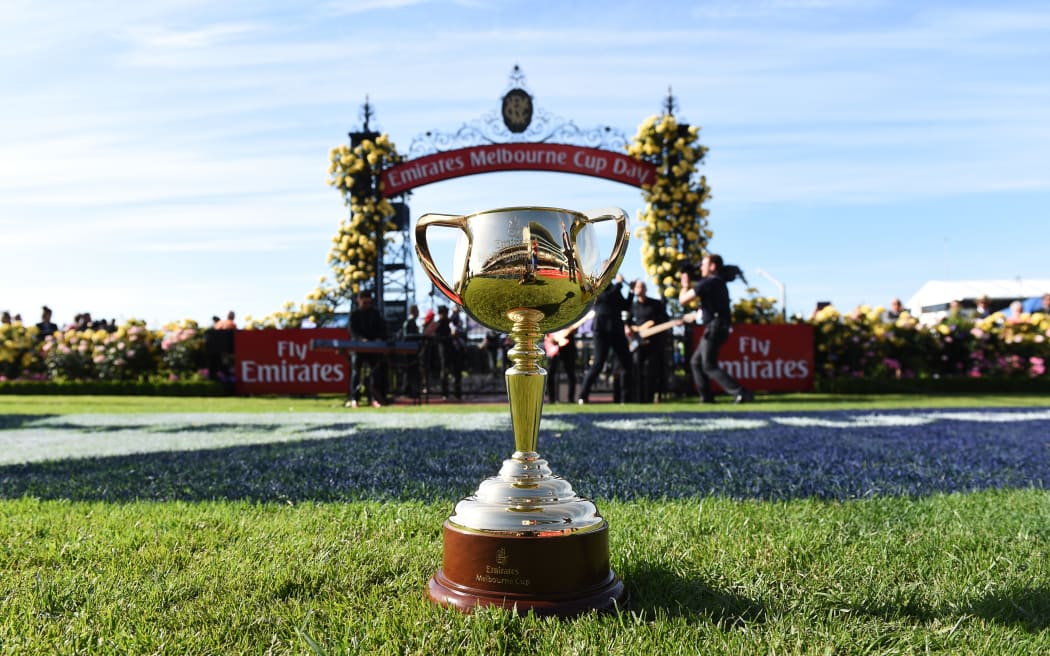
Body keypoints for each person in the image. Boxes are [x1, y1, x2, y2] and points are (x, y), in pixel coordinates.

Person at [678, 255, 754, 404]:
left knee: (708, 364)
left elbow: (683, 300)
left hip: (715, 327)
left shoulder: (708, 283)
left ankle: (741, 393)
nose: (701, 267)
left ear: (713, 267)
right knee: (696, 362)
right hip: (718, 326)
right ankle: (706, 397)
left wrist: (685, 285)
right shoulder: (718, 282)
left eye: (704, 264)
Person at [577, 272, 633, 404]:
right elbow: (605, 297)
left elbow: (625, 305)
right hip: (601, 330)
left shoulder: (615, 288)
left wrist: (631, 291)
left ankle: (625, 399)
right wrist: (619, 284)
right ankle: (582, 396)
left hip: (616, 329)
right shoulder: (598, 286)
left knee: (626, 362)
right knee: (598, 363)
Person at [628, 280, 671, 403]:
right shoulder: (632, 306)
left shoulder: (655, 304)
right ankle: (638, 399)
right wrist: (635, 328)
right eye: (637, 287)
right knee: (637, 370)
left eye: (642, 287)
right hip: (638, 343)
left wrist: (651, 324)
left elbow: (664, 319)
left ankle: (653, 397)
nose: (639, 289)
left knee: (653, 371)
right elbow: (628, 323)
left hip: (654, 343)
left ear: (646, 289)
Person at [347, 291, 388, 408]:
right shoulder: (354, 315)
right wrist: (361, 339)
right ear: (359, 301)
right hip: (358, 347)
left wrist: (379, 339)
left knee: (375, 373)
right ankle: (355, 398)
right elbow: (352, 331)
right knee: (356, 372)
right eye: (364, 302)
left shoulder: (375, 314)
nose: (366, 305)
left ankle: (374, 398)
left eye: (368, 302)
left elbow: (382, 329)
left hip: (373, 348)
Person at [545, 321, 579, 403]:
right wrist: (551, 338)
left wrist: (570, 330)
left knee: (570, 372)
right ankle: (551, 399)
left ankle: (571, 399)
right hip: (553, 344)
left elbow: (575, 330)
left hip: (568, 344)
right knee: (550, 373)